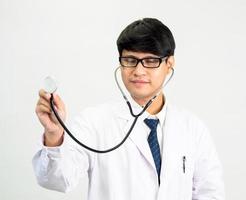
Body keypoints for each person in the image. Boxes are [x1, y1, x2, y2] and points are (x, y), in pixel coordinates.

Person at [33, 18, 225, 200]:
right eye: (130, 60)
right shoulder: (93, 123)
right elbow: (57, 180)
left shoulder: (192, 128)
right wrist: (54, 134)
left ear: (169, 64)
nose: (138, 71)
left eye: (151, 61)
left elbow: (210, 193)